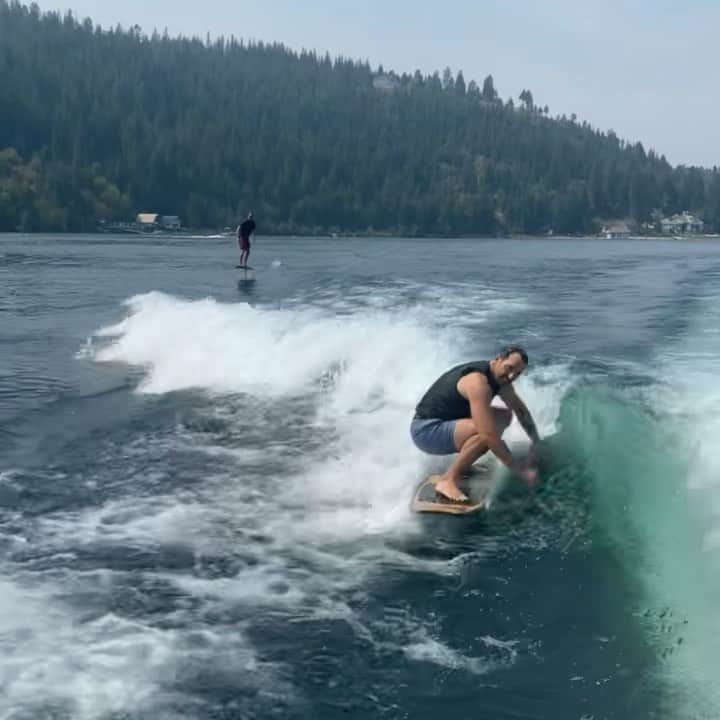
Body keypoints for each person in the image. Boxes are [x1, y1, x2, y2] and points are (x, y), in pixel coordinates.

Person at [410, 346, 540, 502]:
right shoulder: (478, 383)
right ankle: (448, 480)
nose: (511, 376)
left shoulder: (500, 379)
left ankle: (463, 464)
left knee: (504, 415)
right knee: (484, 435)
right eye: (509, 368)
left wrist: (537, 441)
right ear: (499, 358)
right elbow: (488, 435)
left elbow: (521, 411)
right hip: (426, 430)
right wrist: (518, 470)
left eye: (517, 373)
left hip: (446, 423)